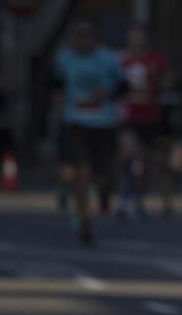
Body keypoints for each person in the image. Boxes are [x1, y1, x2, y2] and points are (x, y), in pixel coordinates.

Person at [51, 18, 126, 245]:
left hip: (104, 124)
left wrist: (108, 93)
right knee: (81, 170)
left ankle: (102, 192)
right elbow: (55, 84)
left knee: (101, 174)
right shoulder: (65, 58)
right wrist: (58, 101)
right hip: (76, 122)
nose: (81, 40)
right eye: (77, 35)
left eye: (86, 35)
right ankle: (85, 220)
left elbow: (124, 87)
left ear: (95, 38)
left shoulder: (109, 60)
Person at [117, 22, 171, 219]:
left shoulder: (155, 60)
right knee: (130, 154)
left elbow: (166, 84)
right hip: (127, 116)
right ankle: (123, 197)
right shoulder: (121, 60)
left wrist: (155, 77)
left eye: (141, 37)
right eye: (134, 37)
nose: (137, 42)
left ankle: (138, 197)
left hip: (150, 116)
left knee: (145, 162)